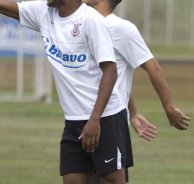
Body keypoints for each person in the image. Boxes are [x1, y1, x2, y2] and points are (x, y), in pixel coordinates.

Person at [0, 0, 133, 183]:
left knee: (112, 180)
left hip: (105, 118)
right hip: (73, 120)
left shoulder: (91, 20)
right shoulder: (43, 12)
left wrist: (95, 119)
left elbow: (111, 70)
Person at [80, 0, 191, 183]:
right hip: (78, 119)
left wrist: (169, 107)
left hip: (108, 122)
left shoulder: (121, 28)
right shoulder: (82, 24)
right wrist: (134, 112)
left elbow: (153, 67)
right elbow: (111, 76)